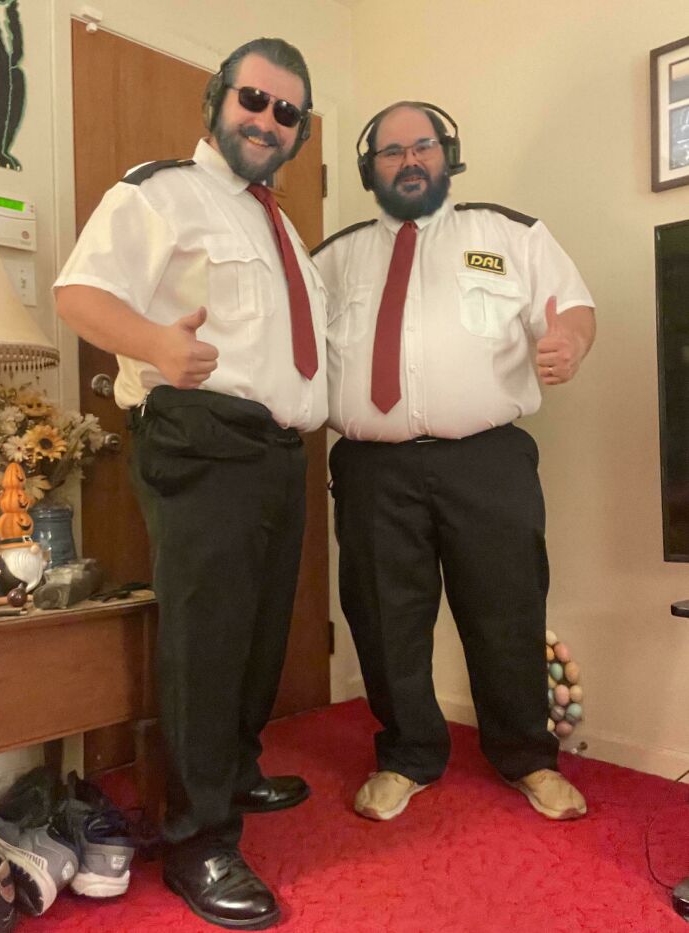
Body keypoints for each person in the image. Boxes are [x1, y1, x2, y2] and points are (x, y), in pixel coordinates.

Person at [55, 37, 327, 930]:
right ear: (217, 99)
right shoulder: (161, 191)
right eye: (254, 99)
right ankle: (197, 838)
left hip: (277, 450)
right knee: (206, 643)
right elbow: (78, 293)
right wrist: (156, 346)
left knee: (259, 634)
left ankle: (234, 771)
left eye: (287, 112)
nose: (268, 120)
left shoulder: (280, 224)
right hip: (201, 436)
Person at [312, 101, 595, 825]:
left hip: (487, 459)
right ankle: (407, 755)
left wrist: (569, 340)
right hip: (373, 467)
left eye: (424, 146)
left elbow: (573, 306)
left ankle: (527, 755)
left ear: (448, 155)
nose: (410, 160)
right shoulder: (331, 259)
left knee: (507, 609)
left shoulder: (509, 234)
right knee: (383, 617)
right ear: (369, 169)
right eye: (392, 151)